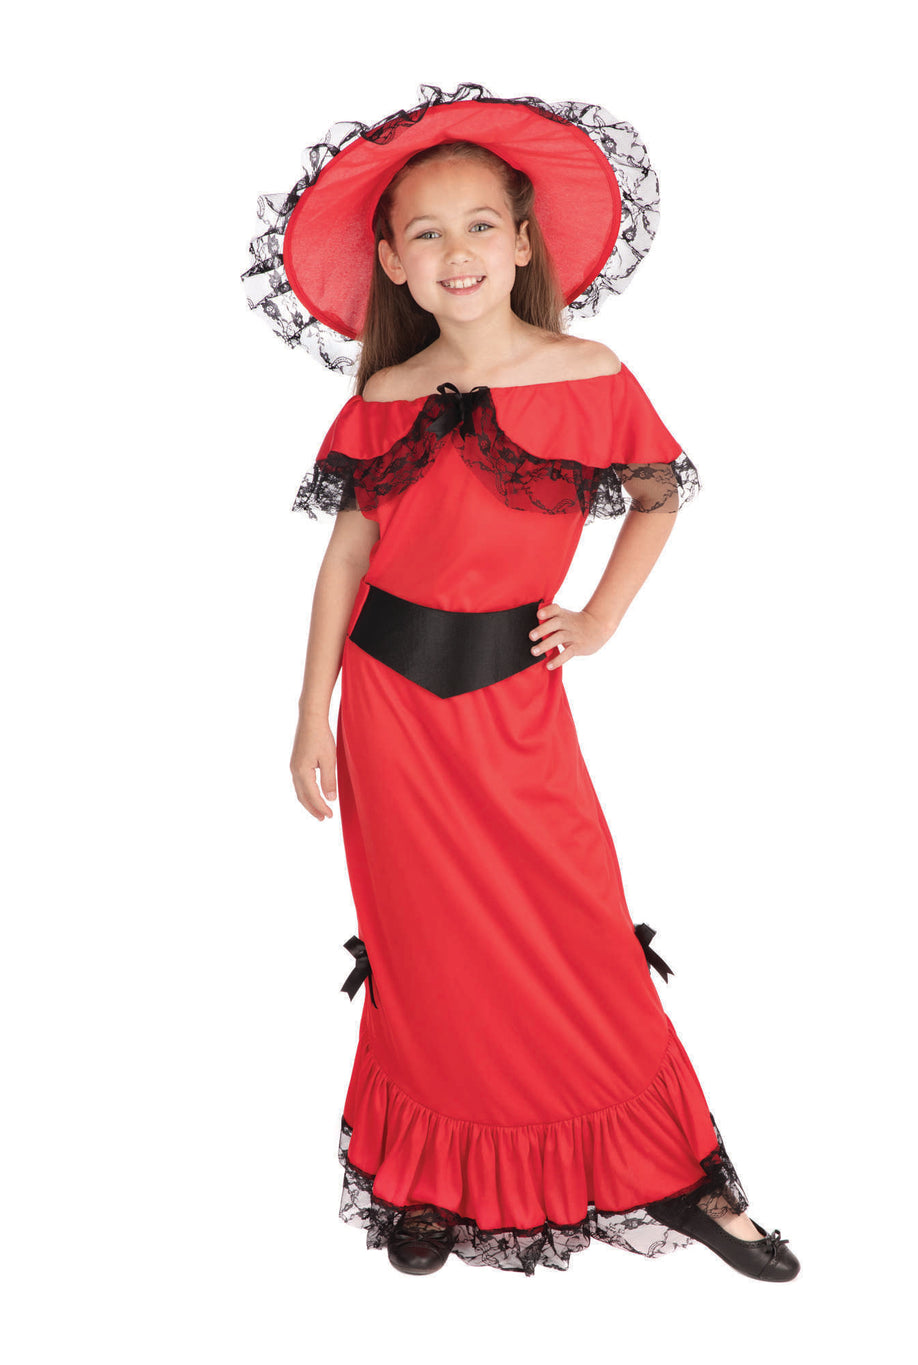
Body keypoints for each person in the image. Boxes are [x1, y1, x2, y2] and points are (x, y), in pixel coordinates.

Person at [242, 82, 800, 1281]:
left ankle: (681, 1173)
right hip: (388, 711)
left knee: (580, 931)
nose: (457, 251)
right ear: (392, 262)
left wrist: (598, 617)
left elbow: (657, 499)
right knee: (421, 944)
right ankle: (429, 1178)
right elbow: (347, 556)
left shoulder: (588, 372)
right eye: (427, 232)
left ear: (524, 243)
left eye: (480, 225)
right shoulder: (381, 399)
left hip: (512, 703)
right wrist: (308, 717)